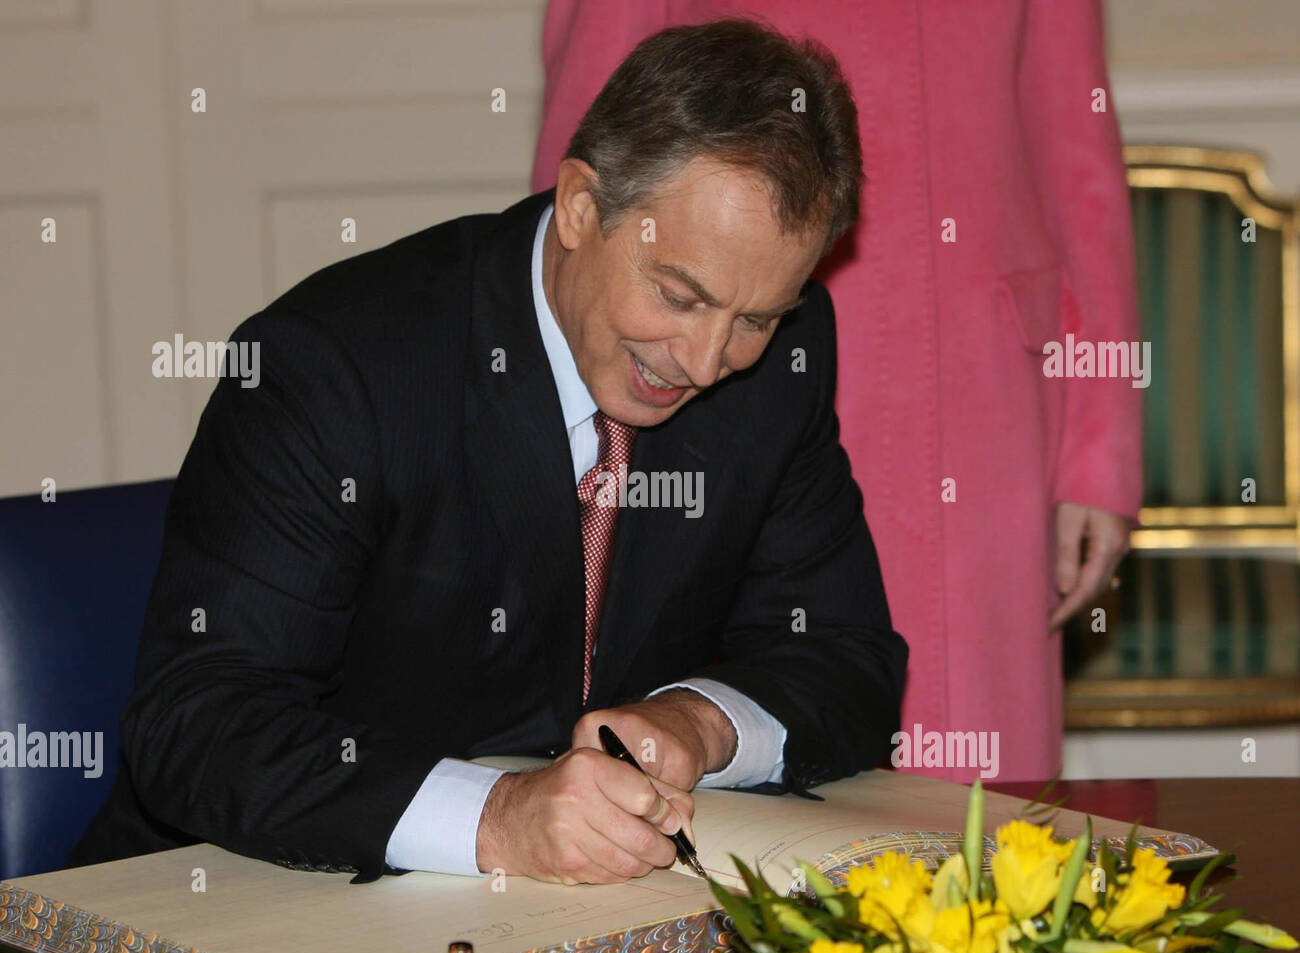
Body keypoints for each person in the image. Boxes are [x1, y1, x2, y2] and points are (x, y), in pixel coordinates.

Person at [70, 19, 907, 885]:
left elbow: (848, 657)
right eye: (677, 295)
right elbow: (198, 722)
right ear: (582, 206)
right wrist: (498, 818)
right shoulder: (336, 367)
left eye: (758, 320)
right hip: (237, 899)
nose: (704, 363)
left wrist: (697, 724)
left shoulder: (771, 373)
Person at [533, 1, 1143, 782]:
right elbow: (596, 139)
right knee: (741, 753)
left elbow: (1076, 154)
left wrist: (1101, 445)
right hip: (726, 377)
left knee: (990, 818)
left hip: (984, 400)